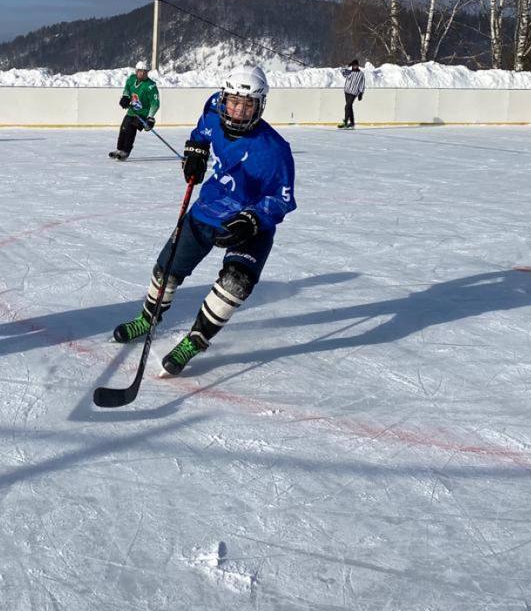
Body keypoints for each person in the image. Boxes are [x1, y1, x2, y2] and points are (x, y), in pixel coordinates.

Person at [110, 65, 296, 376]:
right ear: (224, 98)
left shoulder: (275, 151)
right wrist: (196, 151)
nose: (237, 111)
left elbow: (282, 199)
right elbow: (201, 133)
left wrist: (252, 219)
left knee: (236, 284)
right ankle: (147, 318)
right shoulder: (213, 108)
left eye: (247, 105)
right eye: (234, 102)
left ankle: (194, 340)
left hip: (249, 223)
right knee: (166, 269)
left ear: (259, 106)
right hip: (209, 208)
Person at [109, 60, 160, 160]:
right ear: (136, 71)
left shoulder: (150, 86)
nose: (142, 73)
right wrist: (125, 97)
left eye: (145, 71)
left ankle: (126, 151)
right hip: (132, 110)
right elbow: (127, 89)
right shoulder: (131, 79)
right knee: (123, 128)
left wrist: (150, 117)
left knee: (130, 129)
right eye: (140, 71)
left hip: (143, 114)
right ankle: (119, 149)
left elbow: (155, 104)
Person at [339, 59, 365, 129]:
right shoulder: (349, 72)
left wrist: (361, 93)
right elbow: (342, 71)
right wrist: (348, 66)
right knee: (349, 107)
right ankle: (352, 123)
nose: (354, 66)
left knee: (347, 106)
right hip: (347, 91)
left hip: (354, 93)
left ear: (358, 66)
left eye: (356, 65)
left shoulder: (361, 74)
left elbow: (362, 84)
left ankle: (345, 122)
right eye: (353, 65)